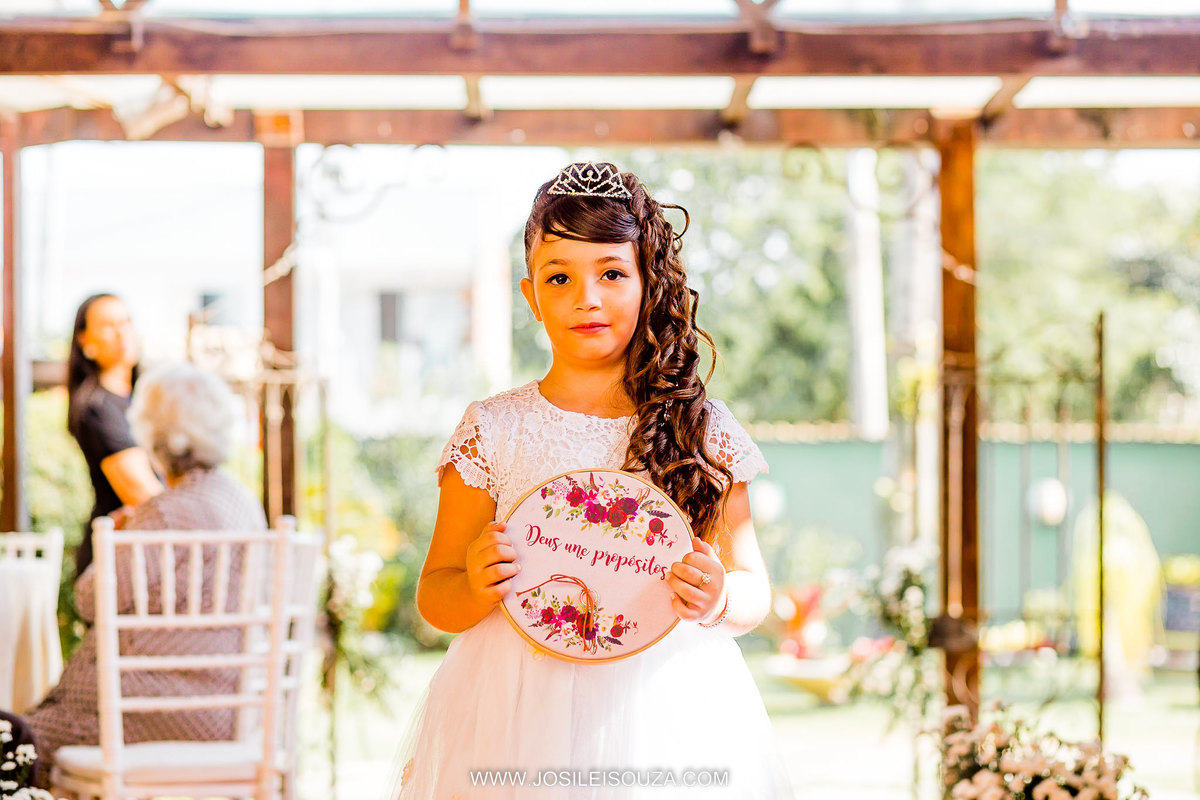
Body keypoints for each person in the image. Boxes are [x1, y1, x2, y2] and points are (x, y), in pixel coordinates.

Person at [394, 162, 794, 798]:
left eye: (612, 272)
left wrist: (719, 595)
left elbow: (753, 590)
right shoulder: (492, 429)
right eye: (560, 277)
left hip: (667, 709)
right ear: (531, 296)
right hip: (514, 713)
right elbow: (435, 595)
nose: (588, 298)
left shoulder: (700, 427)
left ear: (648, 283)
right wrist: (474, 582)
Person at [28, 362, 265, 787]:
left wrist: (119, 537)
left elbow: (89, 601)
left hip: (152, 714)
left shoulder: (166, 512)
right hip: (230, 711)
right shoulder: (244, 503)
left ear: (153, 436)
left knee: (16, 739)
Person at [66, 293, 163, 579]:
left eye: (126, 321)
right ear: (84, 340)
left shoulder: (142, 399)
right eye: (109, 325)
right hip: (115, 565)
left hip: (144, 553)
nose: (122, 332)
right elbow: (146, 498)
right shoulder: (97, 409)